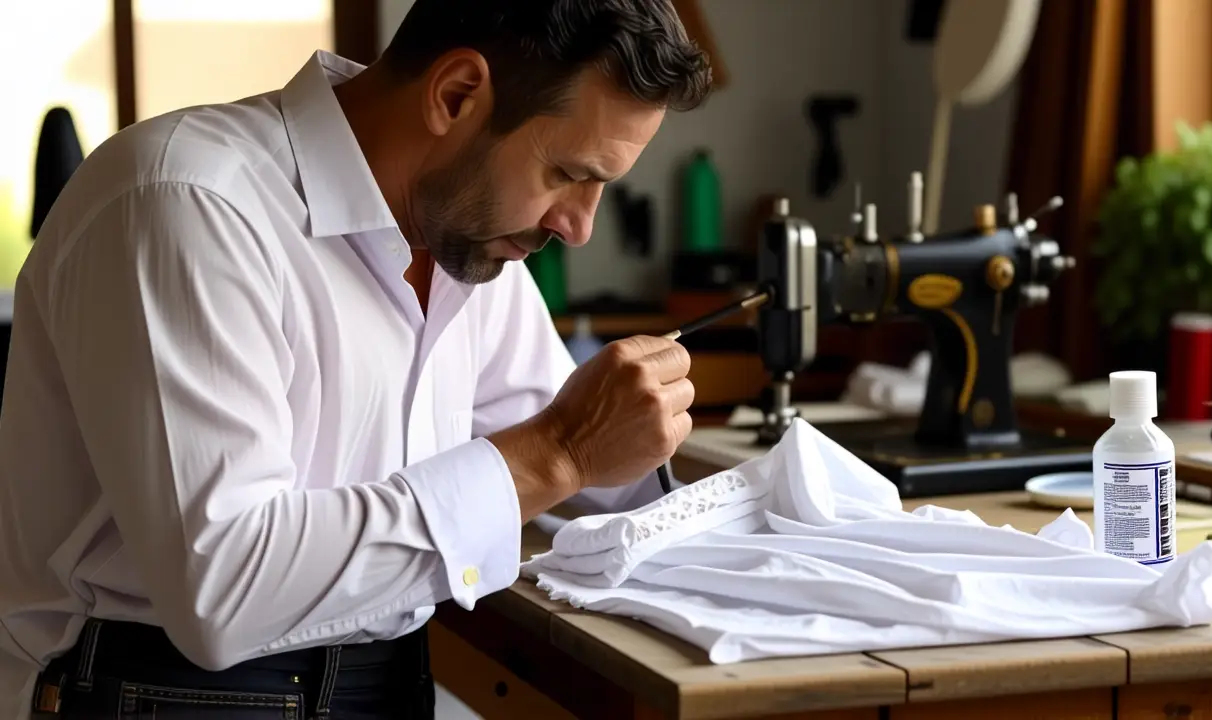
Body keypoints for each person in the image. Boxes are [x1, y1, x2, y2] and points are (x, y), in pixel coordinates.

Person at [0, 0, 712, 716]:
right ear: (457, 94)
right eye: (566, 173)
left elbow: (602, 467)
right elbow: (226, 593)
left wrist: (767, 495)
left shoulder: (469, 244)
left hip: (392, 684)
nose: (580, 226)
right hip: (164, 695)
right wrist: (560, 453)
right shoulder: (185, 202)